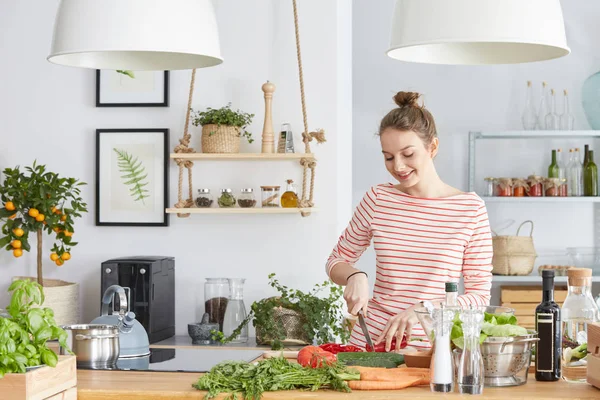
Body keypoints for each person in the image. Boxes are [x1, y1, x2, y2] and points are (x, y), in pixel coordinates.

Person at [326, 91, 493, 352]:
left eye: (408, 154)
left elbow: (479, 297)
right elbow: (335, 261)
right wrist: (354, 275)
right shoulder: (378, 199)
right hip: (370, 346)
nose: (398, 166)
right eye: (389, 157)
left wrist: (424, 309)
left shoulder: (469, 209)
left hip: (430, 352)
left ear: (433, 147)